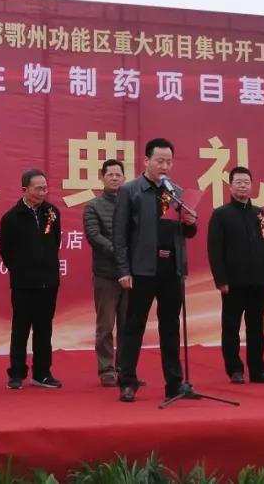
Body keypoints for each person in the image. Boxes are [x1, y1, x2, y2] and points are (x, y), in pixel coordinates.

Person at [113, 138, 198, 403]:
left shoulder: (176, 192)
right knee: (134, 325)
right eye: (160, 161)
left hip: (171, 268)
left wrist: (190, 222)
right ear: (146, 160)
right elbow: (119, 235)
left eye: (169, 162)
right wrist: (123, 270)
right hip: (142, 269)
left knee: (171, 327)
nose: (164, 166)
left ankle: (174, 384)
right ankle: (127, 382)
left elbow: (186, 233)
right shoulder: (130, 191)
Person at [207, 166, 264, 384]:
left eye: (246, 182)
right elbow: (215, 250)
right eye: (238, 182)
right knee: (231, 327)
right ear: (230, 187)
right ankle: (235, 370)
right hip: (233, 282)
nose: (242, 186)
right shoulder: (221, 215)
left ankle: (258, 370)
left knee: (256, 327)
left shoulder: (260, 214)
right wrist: (221, 279)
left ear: (251, 186)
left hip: (258, 280)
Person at [0, 169, 62, 390]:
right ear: (25, 190)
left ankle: (42, 373)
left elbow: (56, 242)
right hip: (23, 284)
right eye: (38, 188)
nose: (43, 192)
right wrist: (21, 271)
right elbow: (6, 251)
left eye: (45, 188)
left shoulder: (52, 212)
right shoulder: (11, 218)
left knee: (44, 329)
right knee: (21, 328)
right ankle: (16, 373)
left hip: (49, 282)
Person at [83, 158, 127, 386]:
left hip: (131, 274)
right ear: (102, 177)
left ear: (124, 178)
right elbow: (94, 236)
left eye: (118, 174)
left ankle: (126, 369)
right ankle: (106, 369)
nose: (114, 178)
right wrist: (121, 252)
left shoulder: (132, 203)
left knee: (129, 326)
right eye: (110, 174)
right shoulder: (93, 206)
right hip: (106, 274)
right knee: (106, 326)